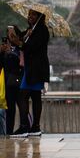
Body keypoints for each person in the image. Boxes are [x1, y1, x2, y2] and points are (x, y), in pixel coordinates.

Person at [10, 10, 49, 138]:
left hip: (35, 69)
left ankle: (24, 127)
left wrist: (19, 42)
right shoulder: (32, 30)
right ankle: (34, 127)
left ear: (39, 17)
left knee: (22, 96)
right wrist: (17, 36)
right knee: (35, 96)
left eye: (33, 14)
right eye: (29, 14)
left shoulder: (41, 30)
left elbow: (30, 47)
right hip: (33, 69)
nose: (30, 16)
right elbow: (23, 42)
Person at [0, 28, 24, 135]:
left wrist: (11, 53)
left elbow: (21, 63)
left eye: (13, 34)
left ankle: (24, 127)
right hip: (7, 83)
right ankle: (9, 132)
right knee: (10, 109)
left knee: (22, 106)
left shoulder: (21, 47)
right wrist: (1, 52)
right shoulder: (5, 49)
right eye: (8, 34)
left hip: (19, 81)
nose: (10, 37)